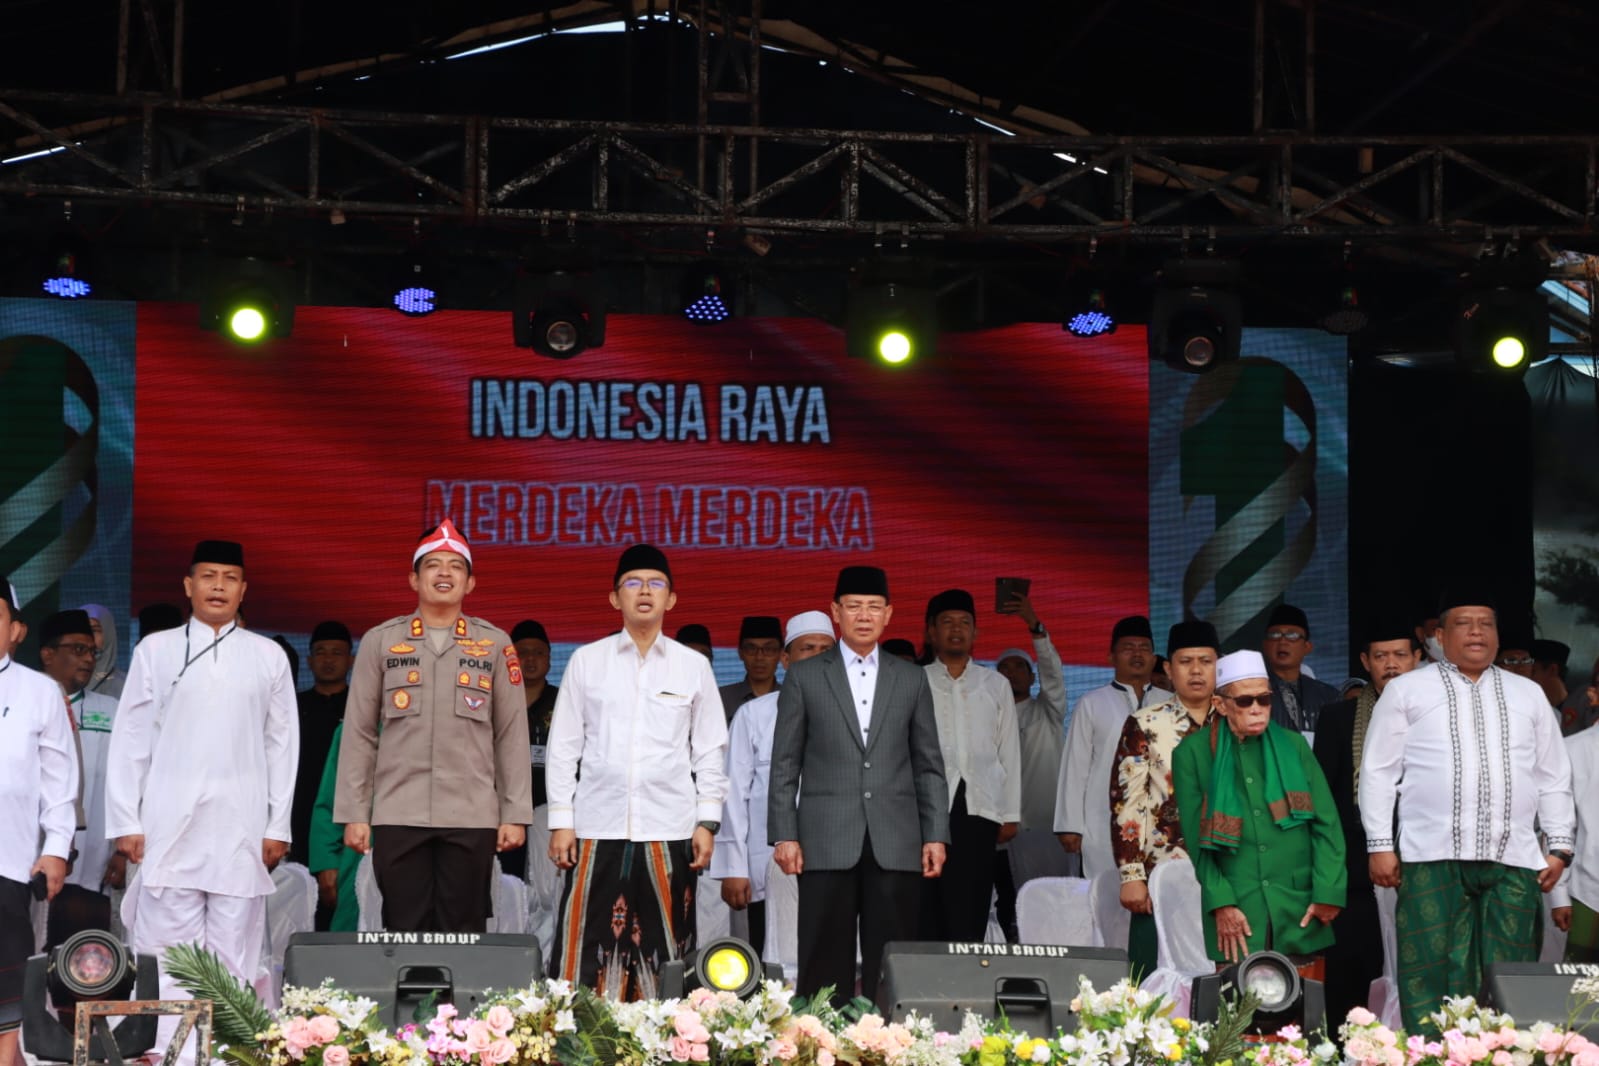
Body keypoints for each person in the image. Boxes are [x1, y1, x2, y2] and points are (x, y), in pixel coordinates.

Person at [105, 541, 297, 1066]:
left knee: (234, 953)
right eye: (208, 576)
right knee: (166, 952)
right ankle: (168, 1053)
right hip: (168, 823)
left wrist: (277, 825)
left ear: (243, 590)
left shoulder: (267, 656)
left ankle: (225, 1054)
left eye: (229, 577)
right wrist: (125, 818)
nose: (218, 586)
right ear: (188, 585)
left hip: (240, 826)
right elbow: (130, 739)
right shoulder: (156, 650)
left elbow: (283, 746)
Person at [1360, 589, 1576, 1031]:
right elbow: (1378, 772)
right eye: (1464, 623)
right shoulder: (1406, 690)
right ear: (1439, 637)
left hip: (1513, 857)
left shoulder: (1528, 694)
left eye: (1486, 624)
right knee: (1430, 969)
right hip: (1430, 855)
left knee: (1511, 971)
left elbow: (1553, 775)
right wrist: (1380, 844)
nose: (1477, 632)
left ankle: (1505, 1054)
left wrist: (1559, 847)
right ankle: (1431, 1054)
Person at [545, 544, 727, 1000]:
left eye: (655, 583)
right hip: (596, 825)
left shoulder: (693, 667)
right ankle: (573, 1029)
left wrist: (707, 821)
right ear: (615, 598)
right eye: (633, 583)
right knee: (583, 944)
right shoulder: (587, 661)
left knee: (667, 945)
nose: (644, 591)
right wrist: (562, 820)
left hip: (670, 826)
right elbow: (563, 747)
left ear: (671, 599)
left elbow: (709, 750)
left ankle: (668, 1033)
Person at [336, 521, 531, 932]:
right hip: (398, 811)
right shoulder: (381, 641)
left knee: (464, 930)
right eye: (433, 565)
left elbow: (511, 734)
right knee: (403, 927)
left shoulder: (495, 644)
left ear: (470, 582)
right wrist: (355, 812)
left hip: (471, 815)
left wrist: (514, 813)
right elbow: (359, 733)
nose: (444, 573)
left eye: (456, 566)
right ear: (414, 578)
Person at [768, 565, 949, 1006]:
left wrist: (935, 835)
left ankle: (887, 1037)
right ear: (836, 612)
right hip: (826, 834)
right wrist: (785, 833)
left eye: (873, 607)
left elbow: (928, 764)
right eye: (853, 607)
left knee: (892, 956)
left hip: (896, 835)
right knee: (823, 952)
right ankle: (818, 1036)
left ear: (888, 614)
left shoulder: (911, 678)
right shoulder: (806, 676)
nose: (864, 616)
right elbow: (785, 762)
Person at [1174, 649, 1345, 966]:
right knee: (1238, 996)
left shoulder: (1294, 746)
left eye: (1264, 700)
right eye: (1244, 701)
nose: (1257, 709)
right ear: (1220, 705)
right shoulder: (1192, 754)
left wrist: (1328, 892)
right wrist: (1222, 903)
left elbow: (1327, 826)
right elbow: (1198, 843)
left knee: (1305, 997)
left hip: (1300, 906)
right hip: (1238, 909)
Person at [1312, 617, 1422, 1029]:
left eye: (1400, 655)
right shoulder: (1338, 718)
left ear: (1417, 658)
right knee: (1352, 980)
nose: (1390, 664)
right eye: (1380, 656)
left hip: (1423, 862)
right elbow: (1323, 801)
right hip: (1356, 872)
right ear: (1365, 661)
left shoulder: (1437, 714)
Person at [712, 611, 837, 957]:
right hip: (766, 861)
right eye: (807, 648)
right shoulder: (753, 714)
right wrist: (733, 867)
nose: (817, 656)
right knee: (768, 960)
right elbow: (733, 795)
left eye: (825, 649)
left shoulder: (855, 716)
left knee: (831, 955)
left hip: (835, 862)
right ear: (786, 659)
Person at [1109, 619, 1219, 976]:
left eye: (1205, 661)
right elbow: (1127, 802)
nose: (1196, 670)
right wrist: (1131, 875)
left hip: (1231, 875)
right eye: (1186, 662)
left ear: (1218, 666)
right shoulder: (1145, 723)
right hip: (1163, 873)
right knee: (1155, 982)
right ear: (1169, 669)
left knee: (1229, 981)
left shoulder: (1237, 720)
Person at [0, 577, 78, 1066]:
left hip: (9, 861)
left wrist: (55, 849)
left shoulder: (40, 691)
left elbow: (60, 782)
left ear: (17, 630)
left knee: (7, 977)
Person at [917, 588, 1019, 942]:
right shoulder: (915, 681)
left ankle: (965, 968)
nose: (956, 629)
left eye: (964, 622)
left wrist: (1011, 811)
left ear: (976, 632)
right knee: (927, 900)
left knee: (972, 898)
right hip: (926, 807)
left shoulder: (995, 684)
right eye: (947, 622)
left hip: (980, 806)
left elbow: (1009, 750)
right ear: (932, 632)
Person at [1055, 616, 1167, 882]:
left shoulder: (1171, 703)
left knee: (1161, 893)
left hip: (1162, 823)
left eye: (1144, 648)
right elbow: (1075, 766)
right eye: (1128, 648)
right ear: (1111, 657)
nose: (1137, 654)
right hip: (1103, 820)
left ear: (1154, 659)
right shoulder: (1092, 703)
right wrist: (1070, 825)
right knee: (1107, 894)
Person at [38, 610, 120, 946]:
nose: (88, 659)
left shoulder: (112, 710)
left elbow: (128, 783)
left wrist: (121, 852)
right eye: (78, 650)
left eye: (92, 652)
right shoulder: (25, 701)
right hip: (31, 853)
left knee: (83, 954)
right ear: (48, 654)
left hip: (93, 860)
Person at [993, 593, 1071, 907]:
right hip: (1002, 831)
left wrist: (1035, 627)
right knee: (1008, 906)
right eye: (1003, 668)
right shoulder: (987, 720)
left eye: (1018, 666)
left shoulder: (1048, 712)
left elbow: (1053, 674)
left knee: (1051, 904)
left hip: (1046, 829)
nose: (1011, 672)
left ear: (1032, 676)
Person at [500, 619, 558, 880]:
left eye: (538, 652)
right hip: (504, 812)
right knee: (507, 882)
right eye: (522, 652)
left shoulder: (564, 701)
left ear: (549, 659)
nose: (531, 659)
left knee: (548, 886)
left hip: (551, 810)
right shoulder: (496, 700)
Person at [292, 621, 351, 874]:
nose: (328, 659)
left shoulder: (363, 706)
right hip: (300, 807)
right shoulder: (292, 706)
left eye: (336, 653)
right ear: (309, 661)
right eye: (321, 652)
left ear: (351, 660)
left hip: (347, 808)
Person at [1261, 604, 1340, 734]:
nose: (1282, 641)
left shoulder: (1329, 696)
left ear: (1307, 647)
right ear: (1265, 645)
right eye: (1274, 635)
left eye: (1292, 635)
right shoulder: (1254, 694)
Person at [720, 616, 783, 722]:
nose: (759, 657)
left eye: (769, 649)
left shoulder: (792, 698)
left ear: (781, 654)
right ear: (740, 653)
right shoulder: (721, 698)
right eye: (751, 648)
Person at [80, 603, 127, 699]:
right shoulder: (60, 682)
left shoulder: (128, 685)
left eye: (94, 630)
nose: (87, 637)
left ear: (108, 634)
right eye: (81, 630)